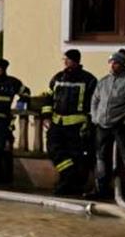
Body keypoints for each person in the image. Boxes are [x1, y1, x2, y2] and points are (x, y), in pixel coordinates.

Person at [87, 49, 125, 203]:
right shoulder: (103, 81)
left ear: (122, 64)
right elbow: (95, 100)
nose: (112, 65)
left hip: (121, 125)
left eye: (116, 62)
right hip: (102, 125)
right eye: (111, 62)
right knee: (100, 156)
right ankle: (101, 188)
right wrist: (95, 117)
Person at [41, 49, 97, 196]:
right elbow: (48, 98)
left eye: (67, 59)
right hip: (57, 123)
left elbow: (94, 103)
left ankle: (69, 184)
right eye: (64, 59)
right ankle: (68, 177)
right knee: (54, 150)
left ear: (75, 61)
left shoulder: (89, 79)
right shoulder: (58, 77)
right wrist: (46, 116)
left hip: (77, 125)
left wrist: (89, 122)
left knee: (76, 156)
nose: (64, 62)